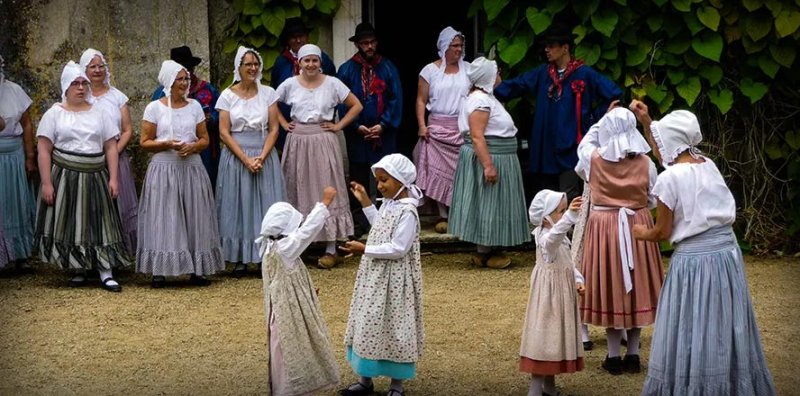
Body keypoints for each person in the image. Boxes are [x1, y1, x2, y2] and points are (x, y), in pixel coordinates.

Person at [630, 101, 777, 395]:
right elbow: (668, 158)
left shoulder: (669, 178)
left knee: (692, 323)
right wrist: (647, 121)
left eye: (657, 141)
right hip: (726, 254)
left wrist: (640, 232)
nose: (654, 149)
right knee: (722, 322)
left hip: (696, 261)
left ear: (668, 144)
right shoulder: (706, 164)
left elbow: (663, 231)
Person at [574, 107, 663, 375]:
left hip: (604, 228)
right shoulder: (646, 163)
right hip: (638, 224)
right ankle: (633, 353)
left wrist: (604, 120)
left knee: (611, 284)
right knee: (637, 286)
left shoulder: (592, 159)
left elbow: (585, 143)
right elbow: (653, 199)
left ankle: (613, 356)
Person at [494, 23, 622, 202]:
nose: (547, 50)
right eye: (546, 46)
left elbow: (614, 95)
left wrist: (595, 118)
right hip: (546, 144)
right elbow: (519, 84)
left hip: (571, 144)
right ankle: (549, 229)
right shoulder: (543, 73)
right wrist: (495, 87)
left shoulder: (584, 73)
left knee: (569, 196)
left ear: (565, 48)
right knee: (547, 197)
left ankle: (570, 230)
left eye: (551, 46)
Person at [34, 61, 129, 292]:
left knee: (101, 222)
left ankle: (106, 271)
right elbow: (44, 149)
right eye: (75, 83)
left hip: (96, 173)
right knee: (72, 222)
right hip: (65, 175)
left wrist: (113, 178)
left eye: (83, 83)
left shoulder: (99, 113)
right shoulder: (54, 114)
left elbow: (110, 147)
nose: (80, 87)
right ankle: (78, 268)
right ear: (65, 87)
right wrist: (46, 182)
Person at [339, 153, 424, 396]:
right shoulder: (389, 204)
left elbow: (398, 248)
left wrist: (365, 249)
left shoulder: (408, 212)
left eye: (384, 180)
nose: (380, 185)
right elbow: (380, 227)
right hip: (376, 277)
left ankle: (396, 386)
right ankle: (365, 379)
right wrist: (366, 202)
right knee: (369, 322)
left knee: (394, 326)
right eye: (378, 180)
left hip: (396, 280)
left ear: (400, 181)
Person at [137, 60, 224, 288]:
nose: (185, 83)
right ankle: (160, 269)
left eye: (186, 79)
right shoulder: (154, 108)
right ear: (168, 81)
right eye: (180, 79)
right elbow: (144, 142)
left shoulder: (195, 106)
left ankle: (198, 268)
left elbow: (204, 138)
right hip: (164, 167)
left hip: (191, 166)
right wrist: (166, 143)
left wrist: (193, 147)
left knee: (195, 214)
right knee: (164, 215)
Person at [275, 44, 362, 269]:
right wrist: (284, 124)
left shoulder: (333, 83)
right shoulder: (290, 84)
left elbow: (356, 105)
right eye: (307, 61)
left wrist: (339, 125)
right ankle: (298, 246)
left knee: (327, 186)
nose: (311, 65)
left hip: (323, 140)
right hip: (298, 142)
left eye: (315, 60)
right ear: (299, 63)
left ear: (320, 62)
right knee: (299, 188)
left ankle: (331, 248)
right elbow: (270, 103)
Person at [256, 187, 341, 396]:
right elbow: (308, 231)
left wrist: (305, 292)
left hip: (283, 308)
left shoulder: (269, 248)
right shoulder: (285, 248)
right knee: (290, 349)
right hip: (288, 314)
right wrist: (324, 203)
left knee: (284, 349)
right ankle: (291, 390)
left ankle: (287, 388)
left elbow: (283, 280)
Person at [448, 56, 530, 269]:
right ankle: (490, 249)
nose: (499, 76)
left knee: (490, 202)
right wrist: (488, 165)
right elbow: (477, 136)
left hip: (499, 154)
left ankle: (486, 249)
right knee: (490, 201)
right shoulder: (481, 101)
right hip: (492, 155)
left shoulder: (484, 98)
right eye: (497, 73)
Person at [215, 46, 286, 277]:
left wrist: (262, 157)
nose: (253, 68)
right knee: (238, 204)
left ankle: (266, 255)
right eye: (248, 64)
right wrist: (245, 159)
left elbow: (274, 128)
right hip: (237, 154)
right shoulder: (227, 95)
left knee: (265, 203)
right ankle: (240, 259)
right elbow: (224, 132)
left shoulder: (268, 93)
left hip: (263, 151)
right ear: (239, 67)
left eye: (256, 64)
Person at [337, 22, 403, 237]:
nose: (369, 46)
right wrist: (357, 126)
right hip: (358, 135)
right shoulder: (346, 70)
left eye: (372, 42)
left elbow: (396, 99)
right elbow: (340, 101)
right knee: (358, 176)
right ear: (357, 44)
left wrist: (383, 125)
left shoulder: (388, 68)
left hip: (383, 135)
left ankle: (387, 221)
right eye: (365, 43)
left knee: (386, 176)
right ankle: (359, 222)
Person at [521, 189, 586, 396]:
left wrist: (577, 279)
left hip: (560, 299)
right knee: (544, 341)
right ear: (546, 216)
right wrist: (570, 218)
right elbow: (554, 239)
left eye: (565, 210)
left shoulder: (561, 239)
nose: (565, 214)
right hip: (549, 301)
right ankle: (535, 391)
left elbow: (567, 263)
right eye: (560, 211)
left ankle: (549, 388)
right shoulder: (545, 238)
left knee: (554, 340)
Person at [79, 48, 138, 256]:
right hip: (87, 160)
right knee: (89, 209)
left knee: (116, 207)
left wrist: (113, 152)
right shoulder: (79, 96)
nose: (97, 70)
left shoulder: (117, 97)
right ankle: (89, 254)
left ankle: (116, 254)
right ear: (83, 70)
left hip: (116, 160)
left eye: (100, 66)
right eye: (92, 66)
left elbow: (128, 129)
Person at [413, 26, 470, 233]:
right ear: (444, 47)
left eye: (460, 45)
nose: (459, 49)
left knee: (460, 172)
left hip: (461, 126)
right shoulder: (430, 71)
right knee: (438, 171)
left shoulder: (469, 69)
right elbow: (421, 100)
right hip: (437, 127)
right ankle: (442, 214)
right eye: (454, 46)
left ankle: (459, 212)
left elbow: (489, 86)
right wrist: (422, 125)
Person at [151, 45, 221, 188]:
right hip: (172, 152)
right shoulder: (160, 94)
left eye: (189, 68)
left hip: (204, 149)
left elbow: (221, 112)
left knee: (204, 184)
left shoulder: (207, 89)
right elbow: (152, 125)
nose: (187, 74)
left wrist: (211, 118)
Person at [271, 17, 337, 150]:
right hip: (290, 128)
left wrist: (330, 117)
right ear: (288, 40)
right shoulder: (281, 62)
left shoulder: (322, 59)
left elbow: (334, 92)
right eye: (293, 37)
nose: (298, 40)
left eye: (301, 36)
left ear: (307, 37)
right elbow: (273, 96)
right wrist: (282, 123)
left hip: (319, 129)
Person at [0, 54, 36, 273]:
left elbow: (27, 123)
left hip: (13, 155)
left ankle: (21, 255)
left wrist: (29, 156)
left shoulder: (15, 90)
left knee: (15, 203)